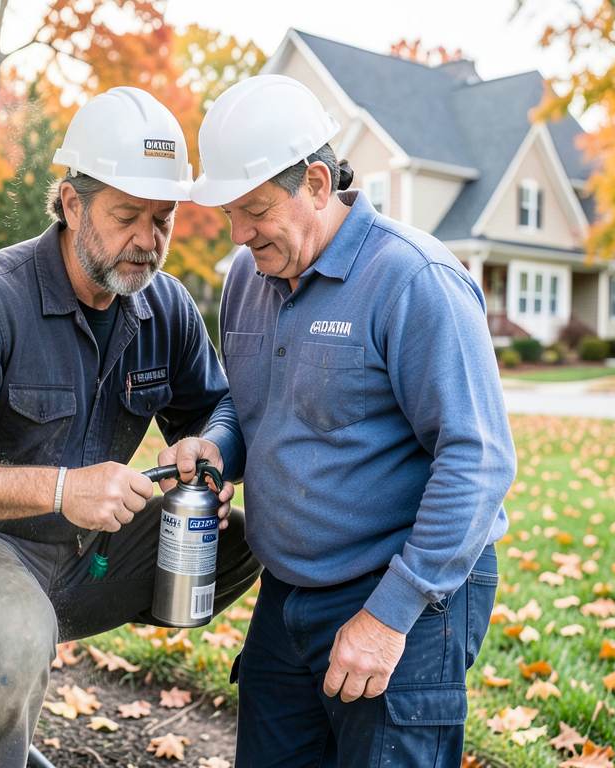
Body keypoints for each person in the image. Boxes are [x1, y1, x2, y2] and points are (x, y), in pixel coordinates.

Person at [0, 86, 260, 768]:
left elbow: (221, 406)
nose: (148, 242)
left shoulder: (165, 307)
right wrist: (64, 488)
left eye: (164, 220)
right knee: (10, 630)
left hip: (69, 557)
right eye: (127, 216)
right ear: (71, 204)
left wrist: (210, 447)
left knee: (238, 541)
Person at [187, 74, 517, 767]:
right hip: (288, 593)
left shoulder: (414, 279)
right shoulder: (247, 279)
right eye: (229, 214)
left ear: (314, 181)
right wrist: (218, 445)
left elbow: (476, 458)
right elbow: (252, 403)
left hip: (407, 588)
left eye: (253, 208)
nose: (240, 234)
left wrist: (390, 614)